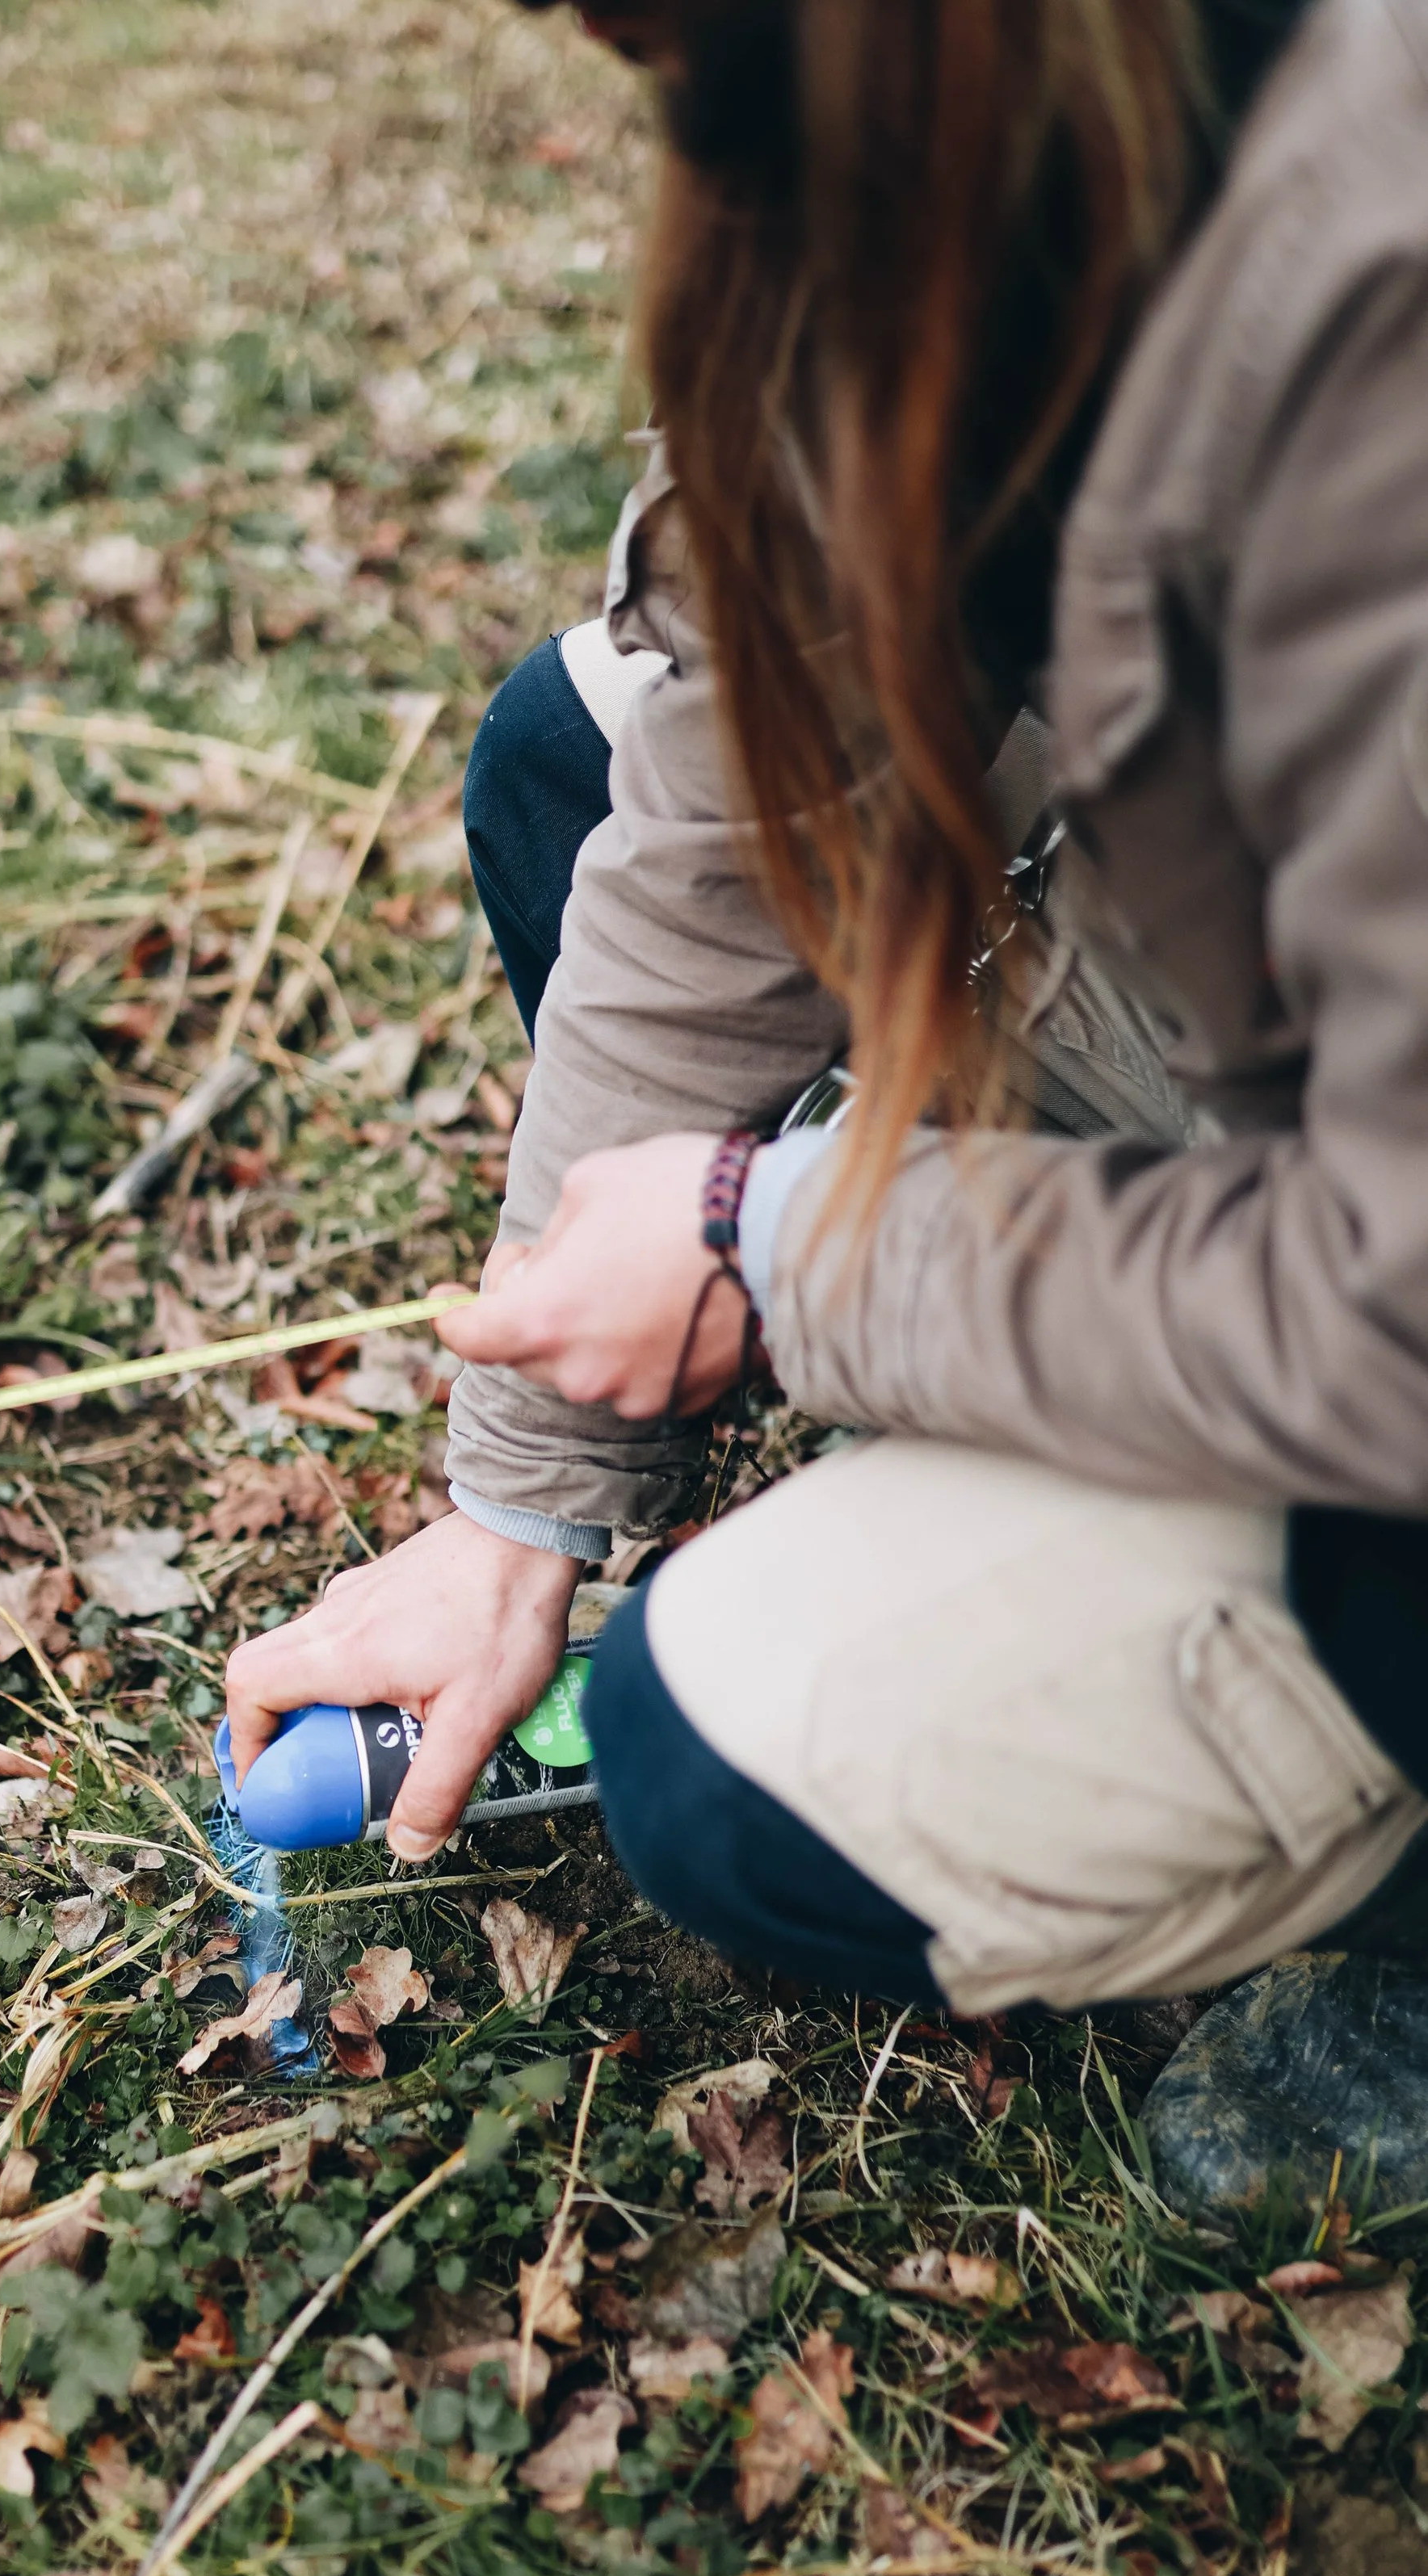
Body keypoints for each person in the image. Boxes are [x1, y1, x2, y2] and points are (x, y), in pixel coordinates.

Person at [225, 0, 1428, 2217]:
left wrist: (789, 1248)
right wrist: (520, 1511)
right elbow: (713, 823)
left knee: (726, 1765)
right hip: (1252, 1065)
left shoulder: (1370, 298)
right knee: (562, 753)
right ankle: (1034, 1471)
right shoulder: (910, 131)